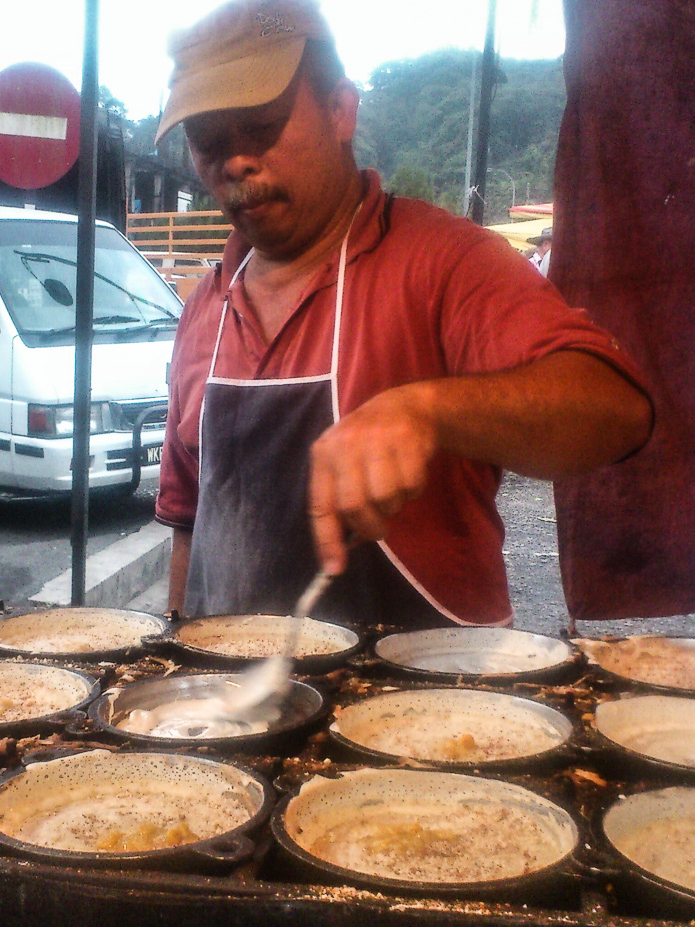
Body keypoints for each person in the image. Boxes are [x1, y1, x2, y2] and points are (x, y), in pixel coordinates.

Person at [154, 0, 652, 628]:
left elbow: (615, 408)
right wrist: (174, 675)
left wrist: (427, 410)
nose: (235, 162)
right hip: (226, 714)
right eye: (208, 141)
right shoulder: (205, 308)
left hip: (435, 708)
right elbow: (187, 524)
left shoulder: (443, 261)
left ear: (341, 109)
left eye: (260, 127)